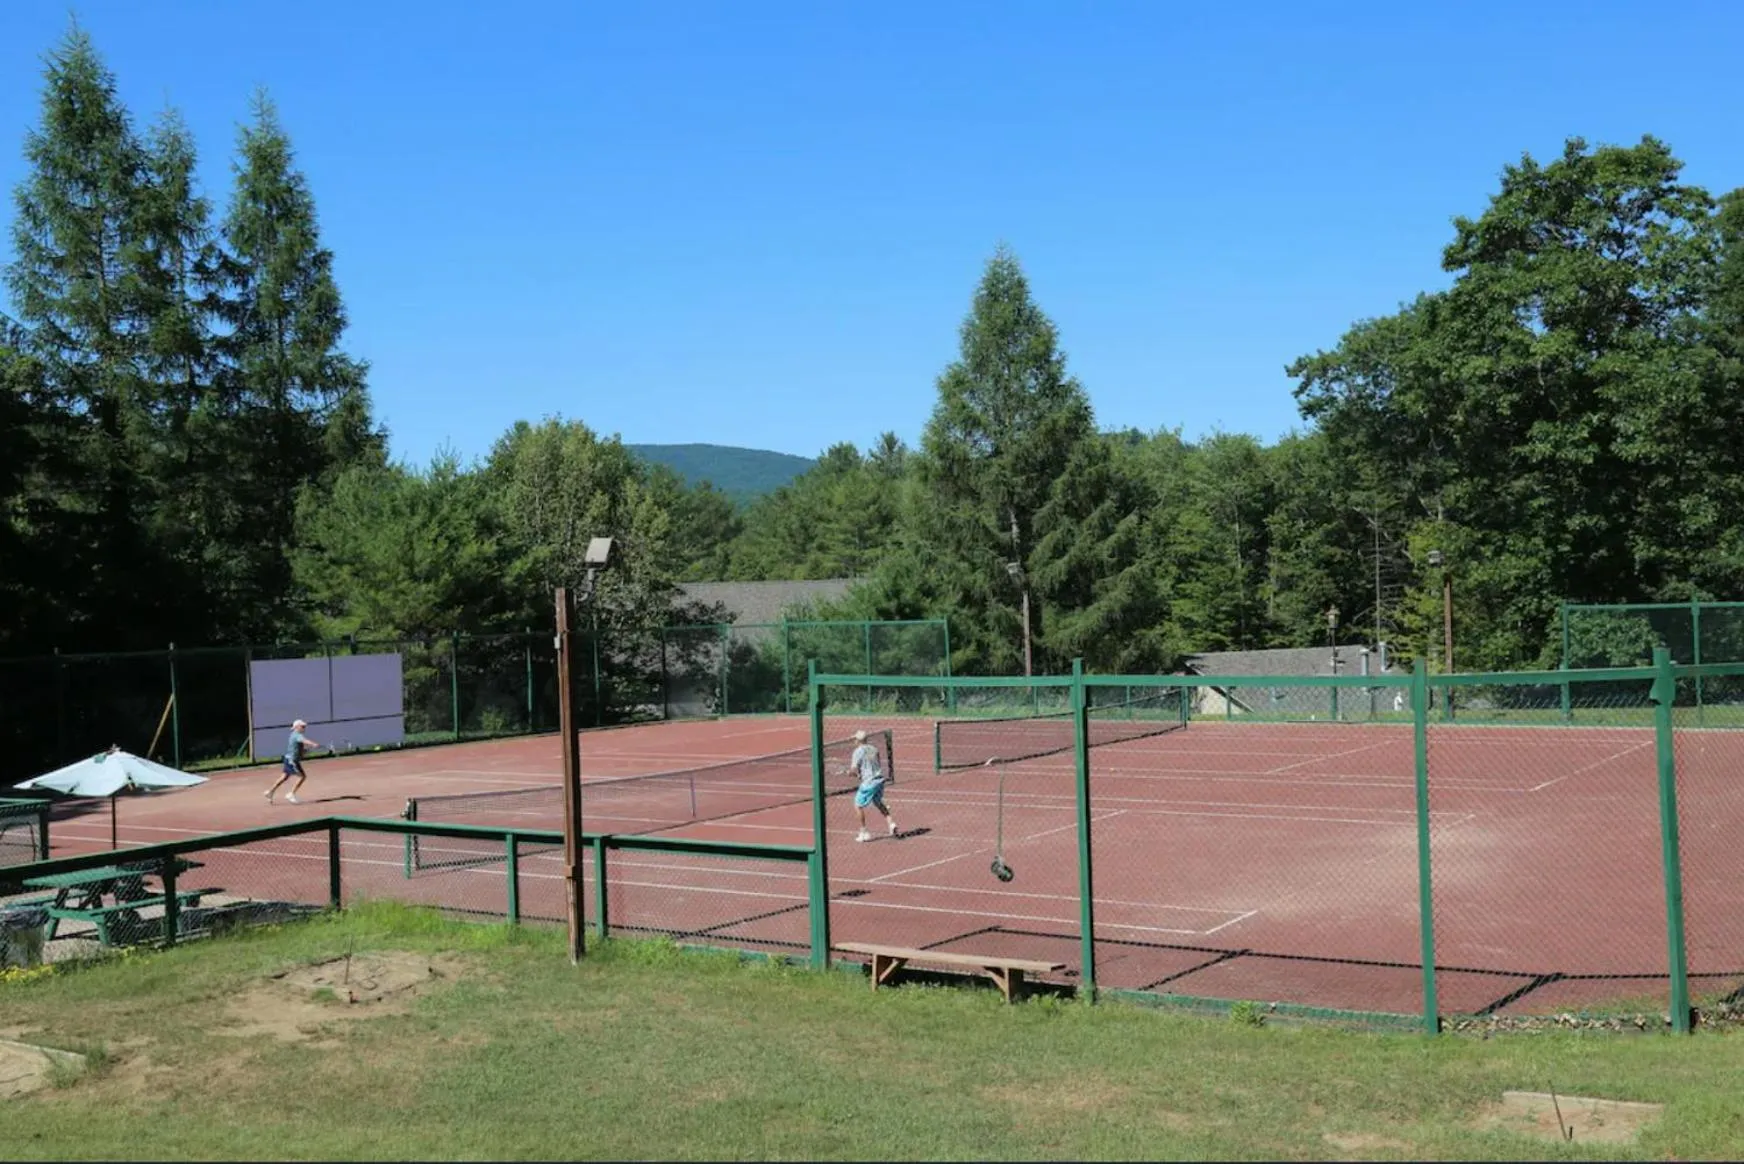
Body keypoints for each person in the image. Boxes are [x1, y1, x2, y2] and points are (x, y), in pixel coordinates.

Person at [846, 729, 899, 842]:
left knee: (858, 805)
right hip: (879, 780)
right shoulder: (874, 749)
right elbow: (875, 765)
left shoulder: (858, 751)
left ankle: (863, 831)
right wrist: (860, 774)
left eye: (855, 739)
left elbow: (854, 769)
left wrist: (850, 773)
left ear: (858, 740)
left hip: (869, 782)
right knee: (878, 802)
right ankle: (891, 823)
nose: (854, 741)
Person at [265, 719, 321, 805]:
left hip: (288, 759)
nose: (304, 728)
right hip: (292, 760)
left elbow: (300, 750)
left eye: (304, 726)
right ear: (296, 727)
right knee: (302, 777)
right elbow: (304, 741)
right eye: (302, 726)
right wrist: (313, 744)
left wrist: (308, 749)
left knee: (284, 777)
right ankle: (291, 794)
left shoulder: (295, 735)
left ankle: (270, 792)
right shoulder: (297, 735)